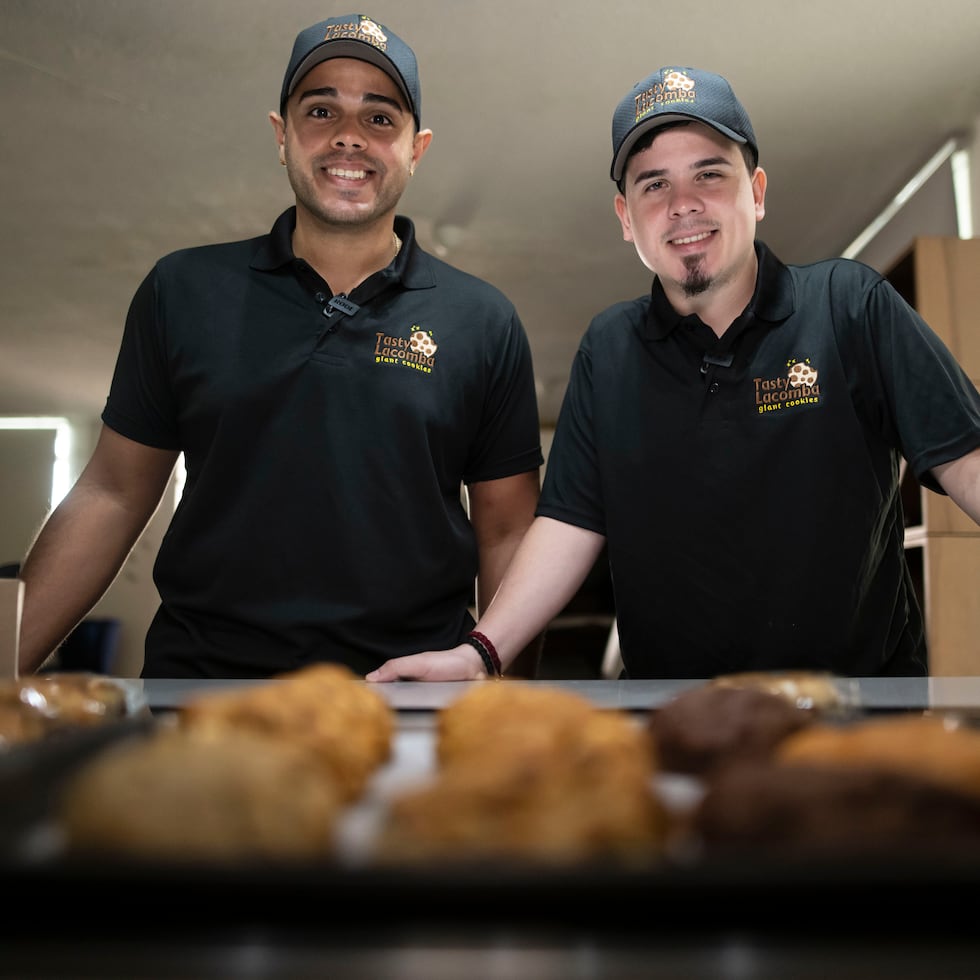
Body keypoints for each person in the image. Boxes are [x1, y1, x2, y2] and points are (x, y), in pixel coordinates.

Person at [367, 66, 980, 683]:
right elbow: (569, 523)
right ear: (626, 217)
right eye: (653, 184)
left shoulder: (850, 306)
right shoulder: (609, 349)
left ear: (758, 191)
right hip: (674, 727)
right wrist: (480, 654)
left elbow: (966, 459)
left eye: (709, 174)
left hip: (854, 722)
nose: (682, 204)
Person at [17, 14, 543, 678]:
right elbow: (112, 494)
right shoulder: (182, 289)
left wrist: (509, 710)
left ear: (417, 148)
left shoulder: (482, 319)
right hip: (203, 690)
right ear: (281, 135)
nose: (348, 135)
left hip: (410, 694)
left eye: (380, 118)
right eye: (321, 110)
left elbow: (507, 532)